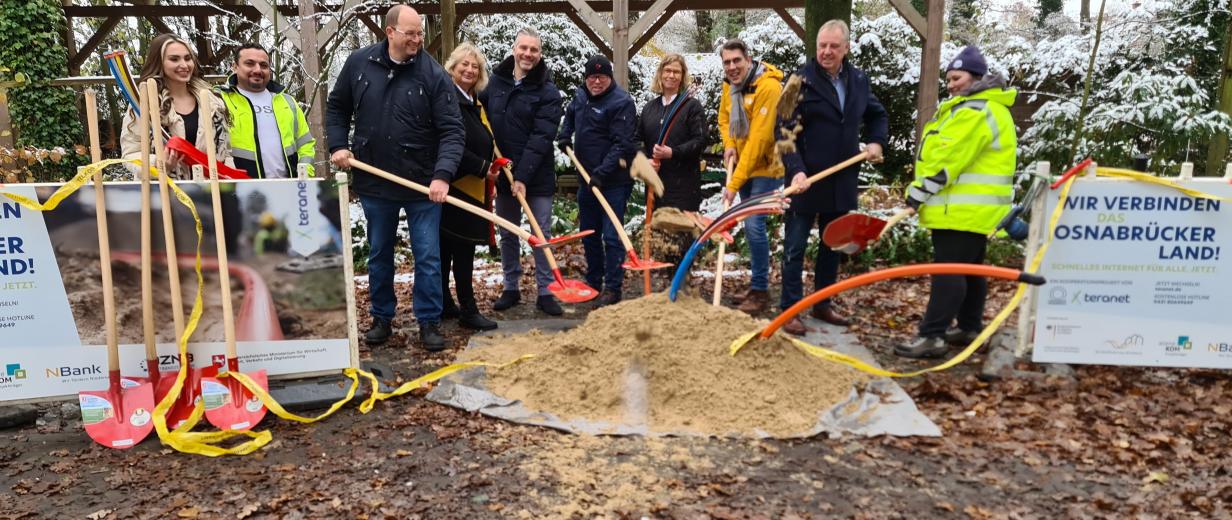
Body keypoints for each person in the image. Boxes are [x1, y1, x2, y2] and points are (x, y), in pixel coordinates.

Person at [325, 5, 465, 352]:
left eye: (420, 33)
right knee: (379, 253)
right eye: (411, 33)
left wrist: (443, 176)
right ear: (390, 32)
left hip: (421, 186)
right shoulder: (360, 63)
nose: (418, 39)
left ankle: (429, 321)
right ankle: (381, 317)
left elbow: (452, 130)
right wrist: (339, 144)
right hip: (376, 181)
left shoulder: (432, 74)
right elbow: (338, 106)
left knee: (429, 256)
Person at [894, 45, 1017, 358]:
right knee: (970, 270)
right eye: (948, 79)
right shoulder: (984, 108)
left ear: (976, 77)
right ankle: (968, 326)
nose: (951, 84)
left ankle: (932, 336)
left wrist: (918, 195)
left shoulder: (975, 111)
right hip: (974, 210)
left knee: (948, 272)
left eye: (957, 77)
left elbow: (948, 161)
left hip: (960, 209)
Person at [777, 20, 888, 336]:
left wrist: (877, 141)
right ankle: (790, 308)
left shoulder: (859, 80)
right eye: (822, 45)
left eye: (833, 46)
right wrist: (796, 169)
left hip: (841, 181)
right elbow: (783, 131)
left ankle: (823, 302)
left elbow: (877, 115)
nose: (826, 51)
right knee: (795, 248)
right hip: (806, 180)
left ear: (846, 48)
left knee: (834, 244)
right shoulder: (797, 81)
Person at [480, 27, 565, 316]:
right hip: (504, 174)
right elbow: (481, 120)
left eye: (534, 50)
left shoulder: (548, 92)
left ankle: (545, 291)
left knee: (540, 233)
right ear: (514, 49)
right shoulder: (495, 83)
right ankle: (511, 287)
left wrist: (524, 178)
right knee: (508, 233)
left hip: (536, 177)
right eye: (523, 48)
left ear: (540, 55)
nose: (528, 54)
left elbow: (542, 138)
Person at [557, 55, 638, 306]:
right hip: (587, 181)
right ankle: (593, 282)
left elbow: (622, 144)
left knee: (612, 237)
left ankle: (613, 288)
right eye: (592, 76)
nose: (597, 81)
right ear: (586, 78)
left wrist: (601, 174)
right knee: (589, 234)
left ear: (610, 78)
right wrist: (564, 135)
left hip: (612, 182)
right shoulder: (580, 96)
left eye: (602, 77)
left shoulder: (622, 102)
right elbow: (570, 115)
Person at [717, 38, 784, 315]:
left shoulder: (769, 87)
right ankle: (756, 284)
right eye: (727, 62)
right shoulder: (730, 85)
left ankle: (760, 291)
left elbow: (759, 141)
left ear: (749, 59)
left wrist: (732, 185)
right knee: (749, 227)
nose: (732, 67)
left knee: (755, 226)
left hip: (768, 167)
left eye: (736, 61)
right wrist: (728, 144)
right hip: (743, 163)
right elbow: (723, 118)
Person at [441, 42, 499, 331]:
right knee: (458, 251)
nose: (469, 69)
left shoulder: (474, 102)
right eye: (464, 64)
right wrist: (482, 168)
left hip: (473, 187)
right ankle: (468, 309)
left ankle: (445, 302)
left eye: (475, 66)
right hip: (456, 186)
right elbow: (451, 144)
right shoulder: (449, 101)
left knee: (451, 250)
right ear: (452, 67)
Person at [121, 33, 233, 179]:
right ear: (159, 63)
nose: (184, 65)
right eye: (174, 59)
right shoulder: (145, 104)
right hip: (163, 193)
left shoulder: (213, 103)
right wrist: (159, 165)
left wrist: (231, 184)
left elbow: (226, 153)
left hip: (209, 193)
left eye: (188, 58)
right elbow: (130, 154)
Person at [219, 43, 316, 179]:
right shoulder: (219, 101)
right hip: (240, 189)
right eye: (250, 64)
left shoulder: (287, 102)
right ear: (234, 67)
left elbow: (305, 143)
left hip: (289, 189)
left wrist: (305, 173)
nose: (258, 70)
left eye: (264, 65)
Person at [637, 53, 706, 213]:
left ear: (682, 77)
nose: (671, 75)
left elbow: (700, 140)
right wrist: (645, 161)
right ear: (660, 74)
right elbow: (636, 140)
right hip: (655, 186)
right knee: (656, 234)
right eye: (667, 70)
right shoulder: (649, 108)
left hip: (684, 188)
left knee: (680, 235)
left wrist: (673, 152)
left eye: (676, 72)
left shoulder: (691, 107)